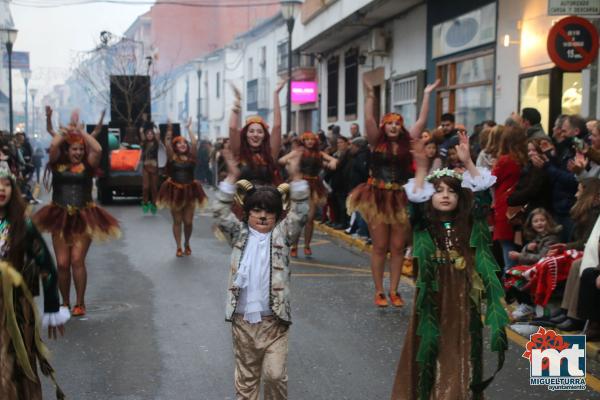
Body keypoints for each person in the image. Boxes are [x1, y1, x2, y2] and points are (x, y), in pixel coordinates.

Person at [392, 132, 506, 400]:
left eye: (451, 192)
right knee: (429, 341)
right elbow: (414, 204)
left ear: (459, 197)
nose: (445, 196)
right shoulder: (425, 224)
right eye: (439, 191)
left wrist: (468, 164)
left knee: (461, 340)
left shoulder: (468, 221)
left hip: (462, 291)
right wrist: (421, 169)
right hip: (432, 293)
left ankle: (456, 391)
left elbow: (483, 197)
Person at [213, 148, 308, 400]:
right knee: (246, 382)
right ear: (248, 212)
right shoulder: (239, 235)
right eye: (256, 210)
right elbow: (219, 213)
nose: (263, 215)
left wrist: (296, 175)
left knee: (275, 376)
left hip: (275, 322)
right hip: (243, 321)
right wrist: (231, 177)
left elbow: (301, 213)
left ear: (277, 215)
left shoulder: (283, 236)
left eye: (269, 211)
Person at [347, 77, 440, 307]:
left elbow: (421, 120)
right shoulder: (374, 140)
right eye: (389, 123)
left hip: (399, 197)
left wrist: (427, 94)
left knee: (398, 246)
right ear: (383, 126)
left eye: (397, 123)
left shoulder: (409, 141)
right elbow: (368, 118)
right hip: (377, 196)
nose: (394, 126)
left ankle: (394, 290)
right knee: (380, 246)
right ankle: (379, 291)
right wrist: (370, 96)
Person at [33, 107, 120, 318]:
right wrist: (65, 130)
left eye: (80, 149)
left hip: (83, 216)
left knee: (76, 260)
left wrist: (82, 133)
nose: (78, 152)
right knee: (62, 263)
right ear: (67, 150)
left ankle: (80, 303)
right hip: (59, 216)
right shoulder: (57, 164)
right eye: (74, 149)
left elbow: (98, 149)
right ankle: (65, 302)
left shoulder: (88, 165)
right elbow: (54, 145)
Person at [0, 163, 69, 400]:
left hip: (17, 311)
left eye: (7, 184)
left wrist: (52, 309)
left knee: (17, 367)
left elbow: (47, 268)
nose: (2, 189)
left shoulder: (23, 225)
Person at [278, 131, 337, 257]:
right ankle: (294, 245)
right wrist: (291, 164)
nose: (310, 141)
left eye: (312, 139)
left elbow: (334, 160)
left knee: (309, 218)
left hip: (314, 186)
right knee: (298, 217)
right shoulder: (298, 152)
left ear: (315, 141)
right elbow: (282, 160)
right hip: (299, 185)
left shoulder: (319, 153)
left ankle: (307, 245)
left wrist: (331, 163)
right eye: (307, 139)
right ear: (303, 141)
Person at [157, 119, 207, 257]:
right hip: (175, 192)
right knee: (177, 221)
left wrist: (188, 128)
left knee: (188, 222)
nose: (183, 144)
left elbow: (195, 143)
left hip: (190, 191)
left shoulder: (192, 157)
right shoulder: (172, 157)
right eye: (179, 143)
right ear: (175, 146)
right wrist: (169, 131)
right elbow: (167, 143)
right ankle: (179, 246)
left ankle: (187, 243)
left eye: (184, 142)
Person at [503, 208, 561, 320]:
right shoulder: (536, 237)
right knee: (511, 273)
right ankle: (524, 304)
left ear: (548, 221)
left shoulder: (551, 238)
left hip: (547, 269)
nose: (539, 223)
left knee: (517, 274)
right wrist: (526, 248)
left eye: (542, 220)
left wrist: (520, 255)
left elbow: (542, 257)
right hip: (537, 267)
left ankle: (527, 305)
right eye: (536, 221)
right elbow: (528, 257)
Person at [229, 81, 286, 185]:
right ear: (245, 135)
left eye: (260, 132)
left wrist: (276, 94)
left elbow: (277, 127)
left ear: (264, 136)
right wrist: (237, 103)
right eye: (251, 131)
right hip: (244, 201)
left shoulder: (270, 154)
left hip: (267, 200)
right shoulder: (239, 153)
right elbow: (232, 128)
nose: (255, 134)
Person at [492, 126, 528, 270]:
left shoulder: (505, 160)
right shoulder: (525, 160)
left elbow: (491, 179)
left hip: (505, 207)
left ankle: (509, 286)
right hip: (520, 206)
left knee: (507, 251)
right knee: (518, 250)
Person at [138, 121, 162, 215]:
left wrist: (156, 127)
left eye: (151, 134)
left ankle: (154, 204)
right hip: (146, 167)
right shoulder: (144, 143)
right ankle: (145, 203)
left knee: (154, 188)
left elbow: (158, 135)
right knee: (145, 187)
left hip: (154, 167)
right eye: (148, 134)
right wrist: (141, 130)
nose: (149, 135)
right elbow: (141, 133)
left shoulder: (156, 144)